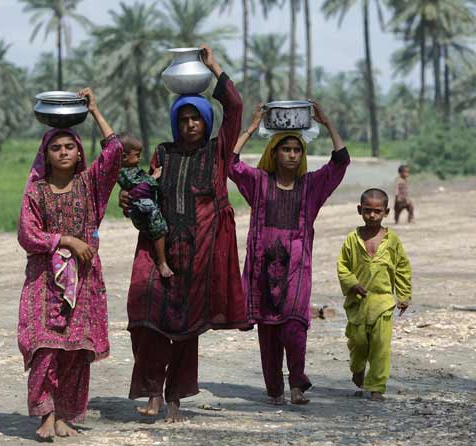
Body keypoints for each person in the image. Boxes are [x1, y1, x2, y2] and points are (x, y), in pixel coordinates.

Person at [120, 45, 248, 421]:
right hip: (158, 247)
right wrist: (129, 201)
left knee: (185, 328)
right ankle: (153, 393)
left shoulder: (218, 151)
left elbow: (236, 108)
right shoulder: (163, 152)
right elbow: (148, 196)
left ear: (206, 122)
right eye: (184, 118)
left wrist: (214, 67)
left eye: (197, 119)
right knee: (147, 319)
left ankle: (174, 398)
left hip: (200, 250)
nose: (191, 124)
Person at [228, 101, 350, 405]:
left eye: (297, 150)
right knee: (268, 332)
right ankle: (274, 390)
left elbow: (341, 162)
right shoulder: (258, 183)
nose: (292, 155)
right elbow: (230, 164)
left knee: (295, 326)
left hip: (296, 270)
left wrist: (328, 122)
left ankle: (297, 383)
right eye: (286, 149)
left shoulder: (312, 186)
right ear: (274, 152)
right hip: (261, 269)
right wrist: (251, 128)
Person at [17, 88, 122, 440]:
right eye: (56, 147)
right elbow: (27, 235)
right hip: (45, 282)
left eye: (70, 147)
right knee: (45, 348)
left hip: (85, 280)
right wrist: (65, 240)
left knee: (76, 352)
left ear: (79, 152)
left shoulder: (89, 185)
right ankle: (44, 413)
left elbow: (115, 152)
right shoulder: (36, 191)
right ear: (45, 153)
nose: (63, 152)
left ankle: (66, 414)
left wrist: (94, 109)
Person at [337, 188, 412, 402]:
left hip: (383, 303)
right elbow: (342, 265)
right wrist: (352, 283)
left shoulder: (392, 240)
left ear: (386, 212)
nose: (372, 215)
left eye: (377, 212)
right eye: (367, 211)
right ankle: (358, 368)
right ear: (359, 210)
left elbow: (402, 267)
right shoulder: (352, 239)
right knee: (358, 342)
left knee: (381, 347)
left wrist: (404, 295)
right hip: (357, 303)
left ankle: (377, 386)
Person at [117, 134, 173, 278]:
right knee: (158, 229)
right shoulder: (125, 172)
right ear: (124, 156)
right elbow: (141, 188)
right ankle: (162, 262)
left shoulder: (129, 169)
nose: (139, 158)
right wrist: (154, 177)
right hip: (143, 209)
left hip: (142, 206)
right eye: (137, 155)